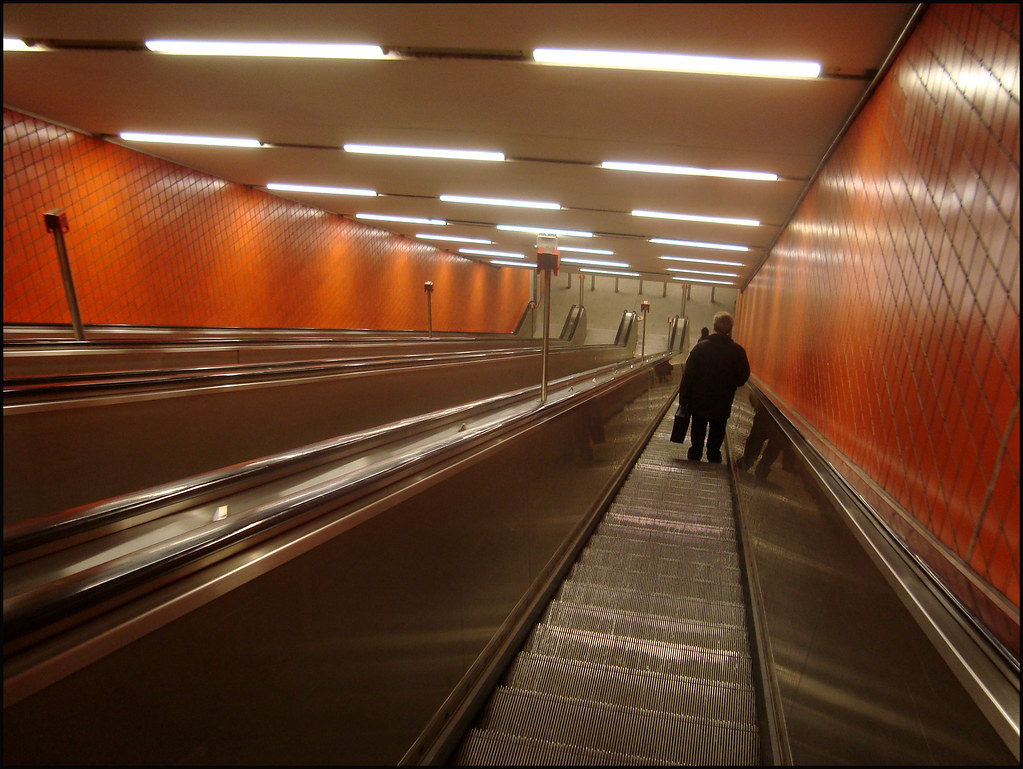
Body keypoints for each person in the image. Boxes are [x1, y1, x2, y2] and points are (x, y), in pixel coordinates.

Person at [678, 311, 750, 463]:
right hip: (723, 400)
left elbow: (688, 376)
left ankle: (695, 452)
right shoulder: (737, 352)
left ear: (714, 327)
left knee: (698, 426)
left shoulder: (700, 349)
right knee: (718, 427)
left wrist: (683, 399)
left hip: (699, 399)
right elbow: (743, 376)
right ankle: (714, 455)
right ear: (730, 329)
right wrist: (730, 383)